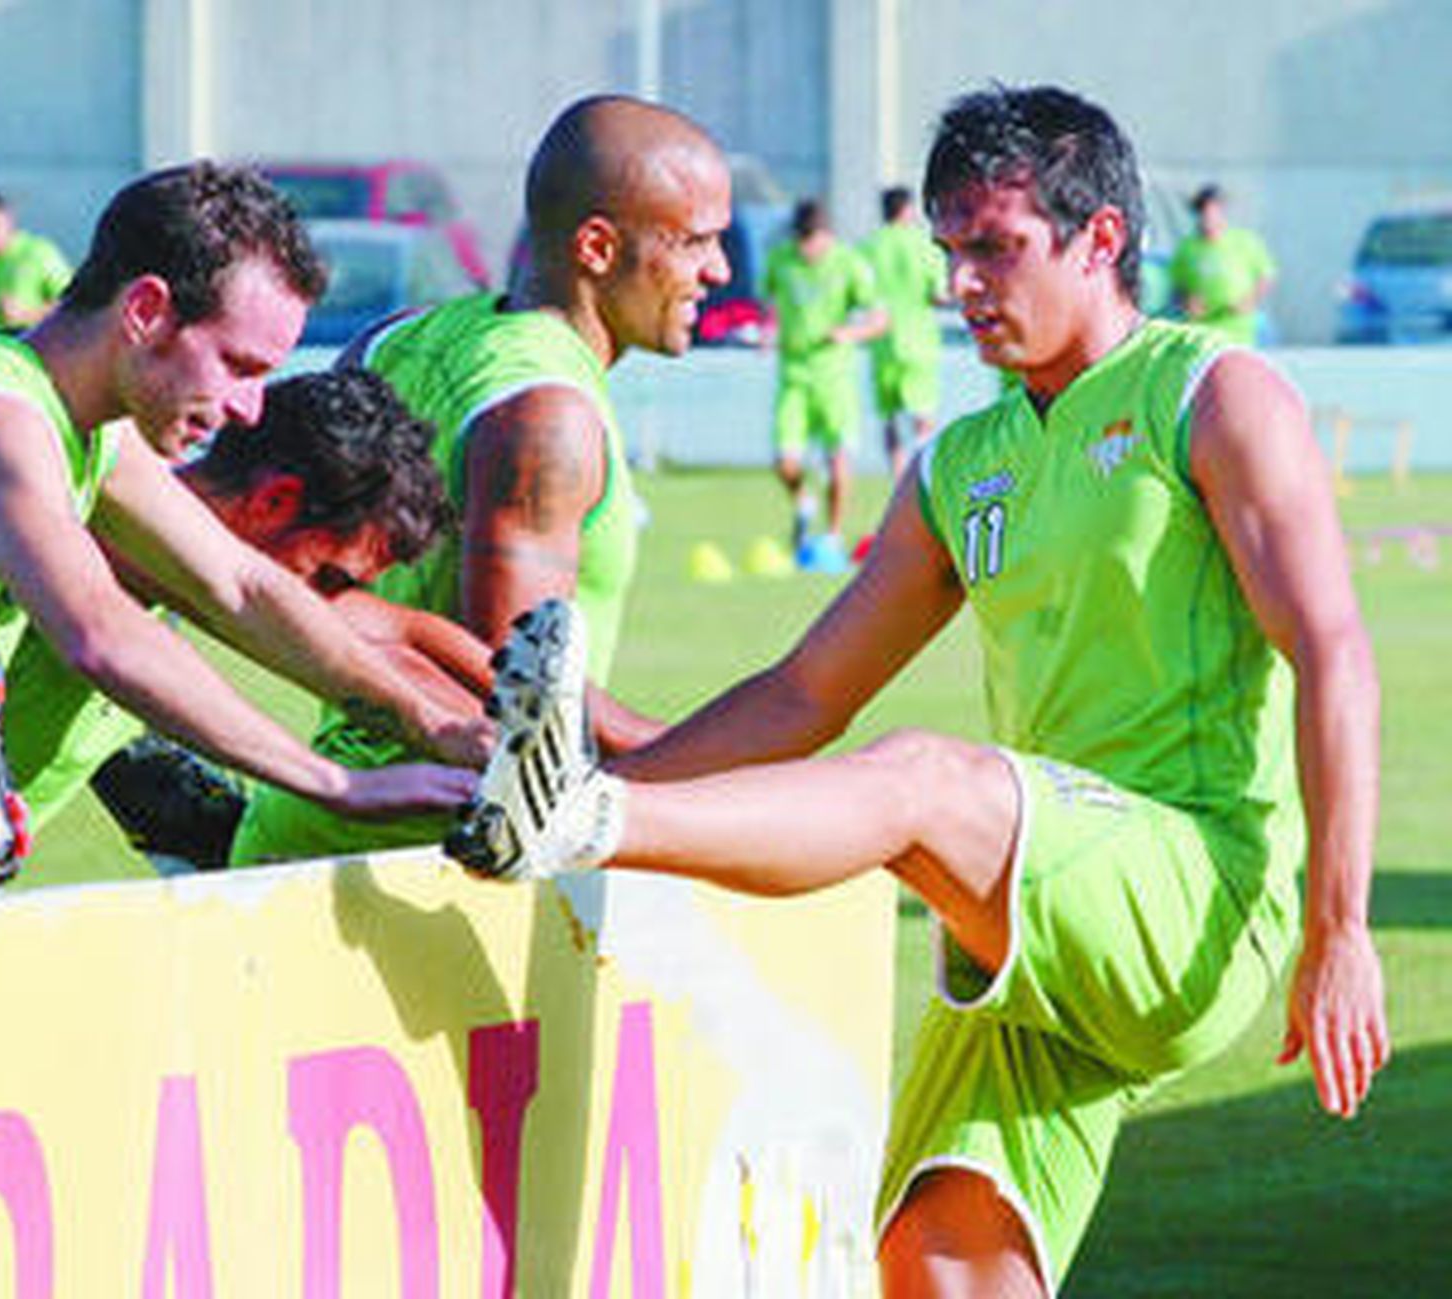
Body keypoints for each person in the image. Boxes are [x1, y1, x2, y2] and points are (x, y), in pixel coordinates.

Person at [447, 85, 1390, 1297]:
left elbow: (1335, 652)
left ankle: (584, 830)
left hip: (1195, 887)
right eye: (950, 253)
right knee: (933, 1265)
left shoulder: (1209, 397)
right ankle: (575, 815)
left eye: (995, 249)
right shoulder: (961, 462)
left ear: (1099, 237)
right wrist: (586, 775)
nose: (962, 288)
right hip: (1032, 908)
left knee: (921, 782)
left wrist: (1341, 929)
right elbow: (801, 695)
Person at [0, 161, 481, 904]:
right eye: (239, 365)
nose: (251, 407)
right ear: (147, 309)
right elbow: (102, 634)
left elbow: (243, 585)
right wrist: (335, 784)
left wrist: (437, 728)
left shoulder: (93, 434)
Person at [229, 93, 732, 867]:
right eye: (696, 241)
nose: (718, 269)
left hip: (306, 829)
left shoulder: (393, 338)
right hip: (430, 866)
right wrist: (729, 769)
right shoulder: (546, 415)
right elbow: (512, 701)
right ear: (597, 246)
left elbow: (307, 586)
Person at [2, 366, 495, 869]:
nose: (321, 606)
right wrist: (343, 784)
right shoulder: (55, 535)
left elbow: (402, 629)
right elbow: (108, 642)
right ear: (273, 502)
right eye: (327, 577)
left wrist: (527, 717)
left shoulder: (161, 566)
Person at [763, 198, 887, 572]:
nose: (806, 248)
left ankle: (832, 534)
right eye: (800, 240)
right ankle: (803, 501)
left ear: (826, 236)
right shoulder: (780, 260)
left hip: (834, 376)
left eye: (811, 240)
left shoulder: (849, 263)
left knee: (838, 462)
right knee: (784, 462)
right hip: (793, 374)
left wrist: (850, 332)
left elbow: (880, 318)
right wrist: (770, 331)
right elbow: (770, 302)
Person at [862, 186, 950, 477]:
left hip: (882, 344)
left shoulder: (869, 246)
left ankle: (898, 483)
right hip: (918, 341)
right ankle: (922, 480)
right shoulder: (923, 243)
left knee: (890, 419)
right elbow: (939, 293)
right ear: (907, 210)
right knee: (922, 418)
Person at [1167, 183, 1277, 346]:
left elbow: (1267, 277)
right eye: (1203, 211)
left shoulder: (1244, 241)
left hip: (1237, 329)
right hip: (1202, 330)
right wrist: (1186, 302)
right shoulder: (1186, 248)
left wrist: (1249, 300)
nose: (1208, 217)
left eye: (1213, 211)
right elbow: (1176, 287)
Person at [0, 190, 72, 332]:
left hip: (31, 345)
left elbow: (73, 303)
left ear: (9, 220)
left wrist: (27, 314)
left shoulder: (39, 252)